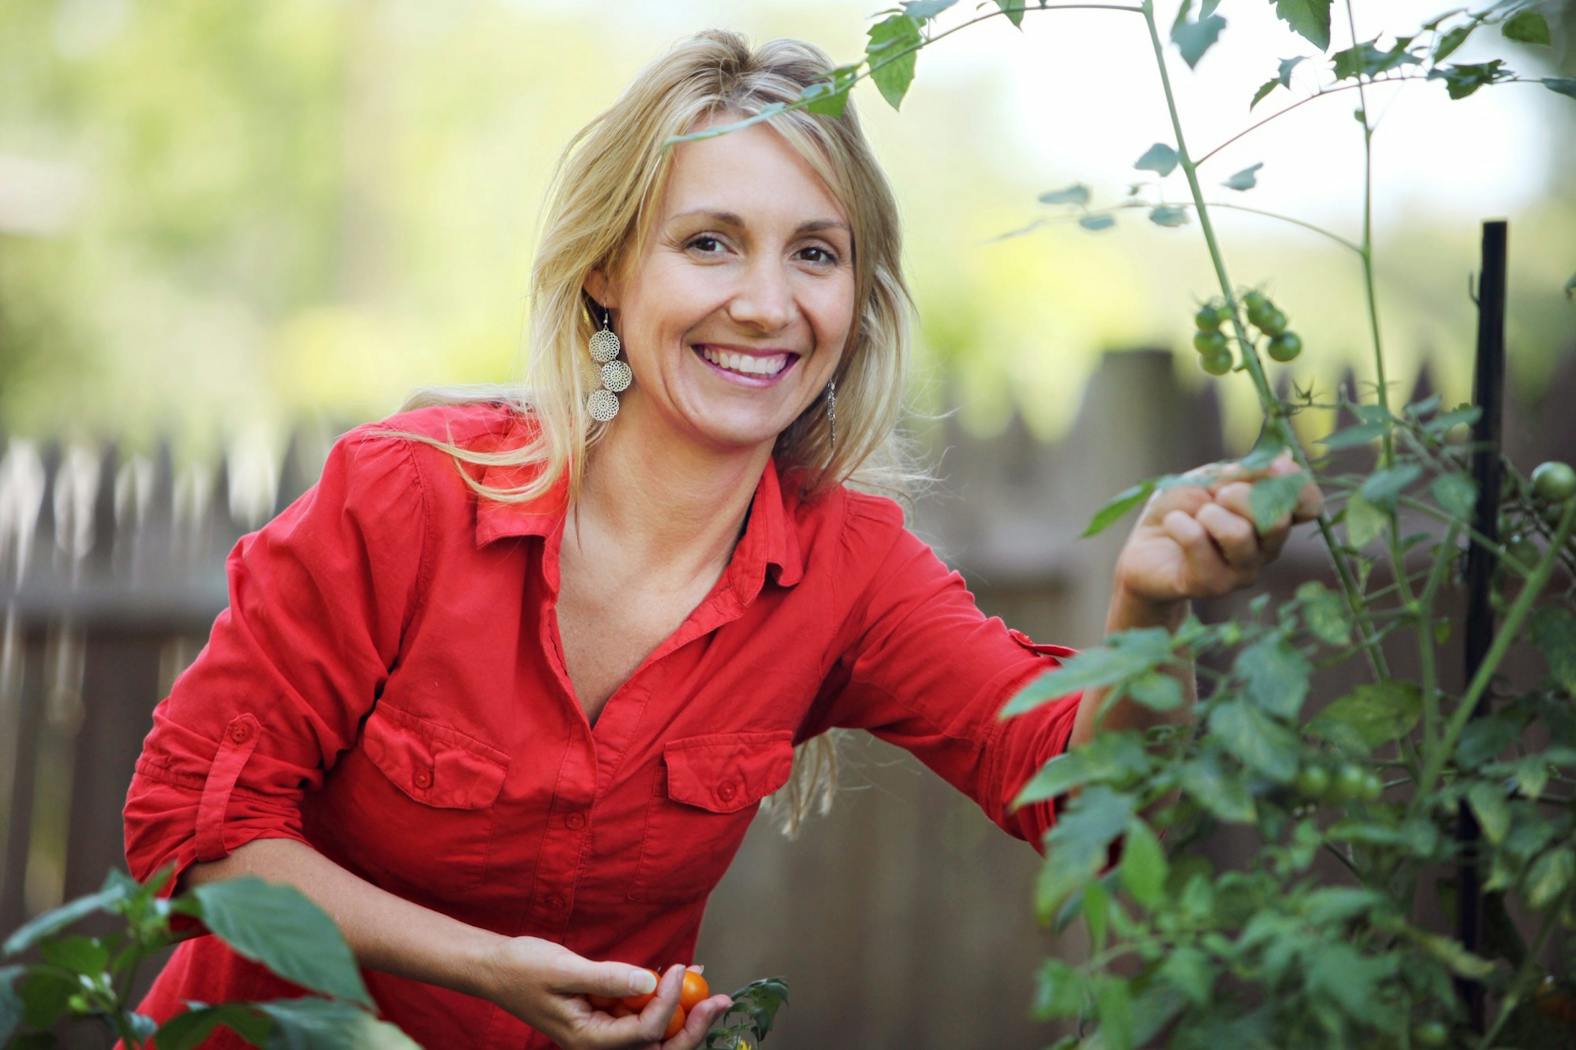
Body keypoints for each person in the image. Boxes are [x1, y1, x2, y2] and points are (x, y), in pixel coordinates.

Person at [121, 29, 1321, 1050]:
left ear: (855, 302)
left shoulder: (851, 574)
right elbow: (189, 836)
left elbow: (1088, 804)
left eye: (815, 254)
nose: (764, 303)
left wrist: (1150, 610)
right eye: (709, 242)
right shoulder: (409, 496)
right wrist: (488, 969)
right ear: (606, 271)